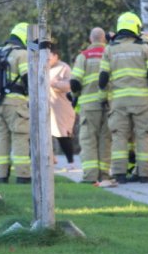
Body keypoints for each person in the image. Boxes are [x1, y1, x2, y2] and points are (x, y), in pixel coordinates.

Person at [99, 12, 148, 184]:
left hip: (119, 102)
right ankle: (145, 175)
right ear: (136, 28)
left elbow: (103, 80)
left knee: (119, 137)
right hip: (142, 101)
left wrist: (104, 99)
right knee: (144, 136)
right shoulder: (144, 48)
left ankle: (119, 174)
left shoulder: (110, 49)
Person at [71, 27, 112, 185]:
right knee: (105, 141)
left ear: (90, 39)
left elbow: (75, 82)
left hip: (89, 105)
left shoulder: (84, 56)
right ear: (104, 39)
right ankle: (104, 175)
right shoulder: (111, 54)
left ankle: (90, 176)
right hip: (109, 104)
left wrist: (75, 97)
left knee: (88, 141)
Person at [0, 22, 31, 184]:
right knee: (20, 136)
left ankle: (1, 176)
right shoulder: (22, 54)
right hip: (16, 102)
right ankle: (22, 175)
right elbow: (27, 78)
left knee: (2, 138)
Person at [47, 43, 76, 171]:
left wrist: (55, 83)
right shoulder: (43, 68)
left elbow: (69, 85)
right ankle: (50, 159)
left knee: (62, 135)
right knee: (45, 134)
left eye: (49, 57)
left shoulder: (64, 67)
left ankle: (71, 161)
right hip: (48, 107)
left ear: (55, 56)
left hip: (61, 108)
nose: (47, 60)